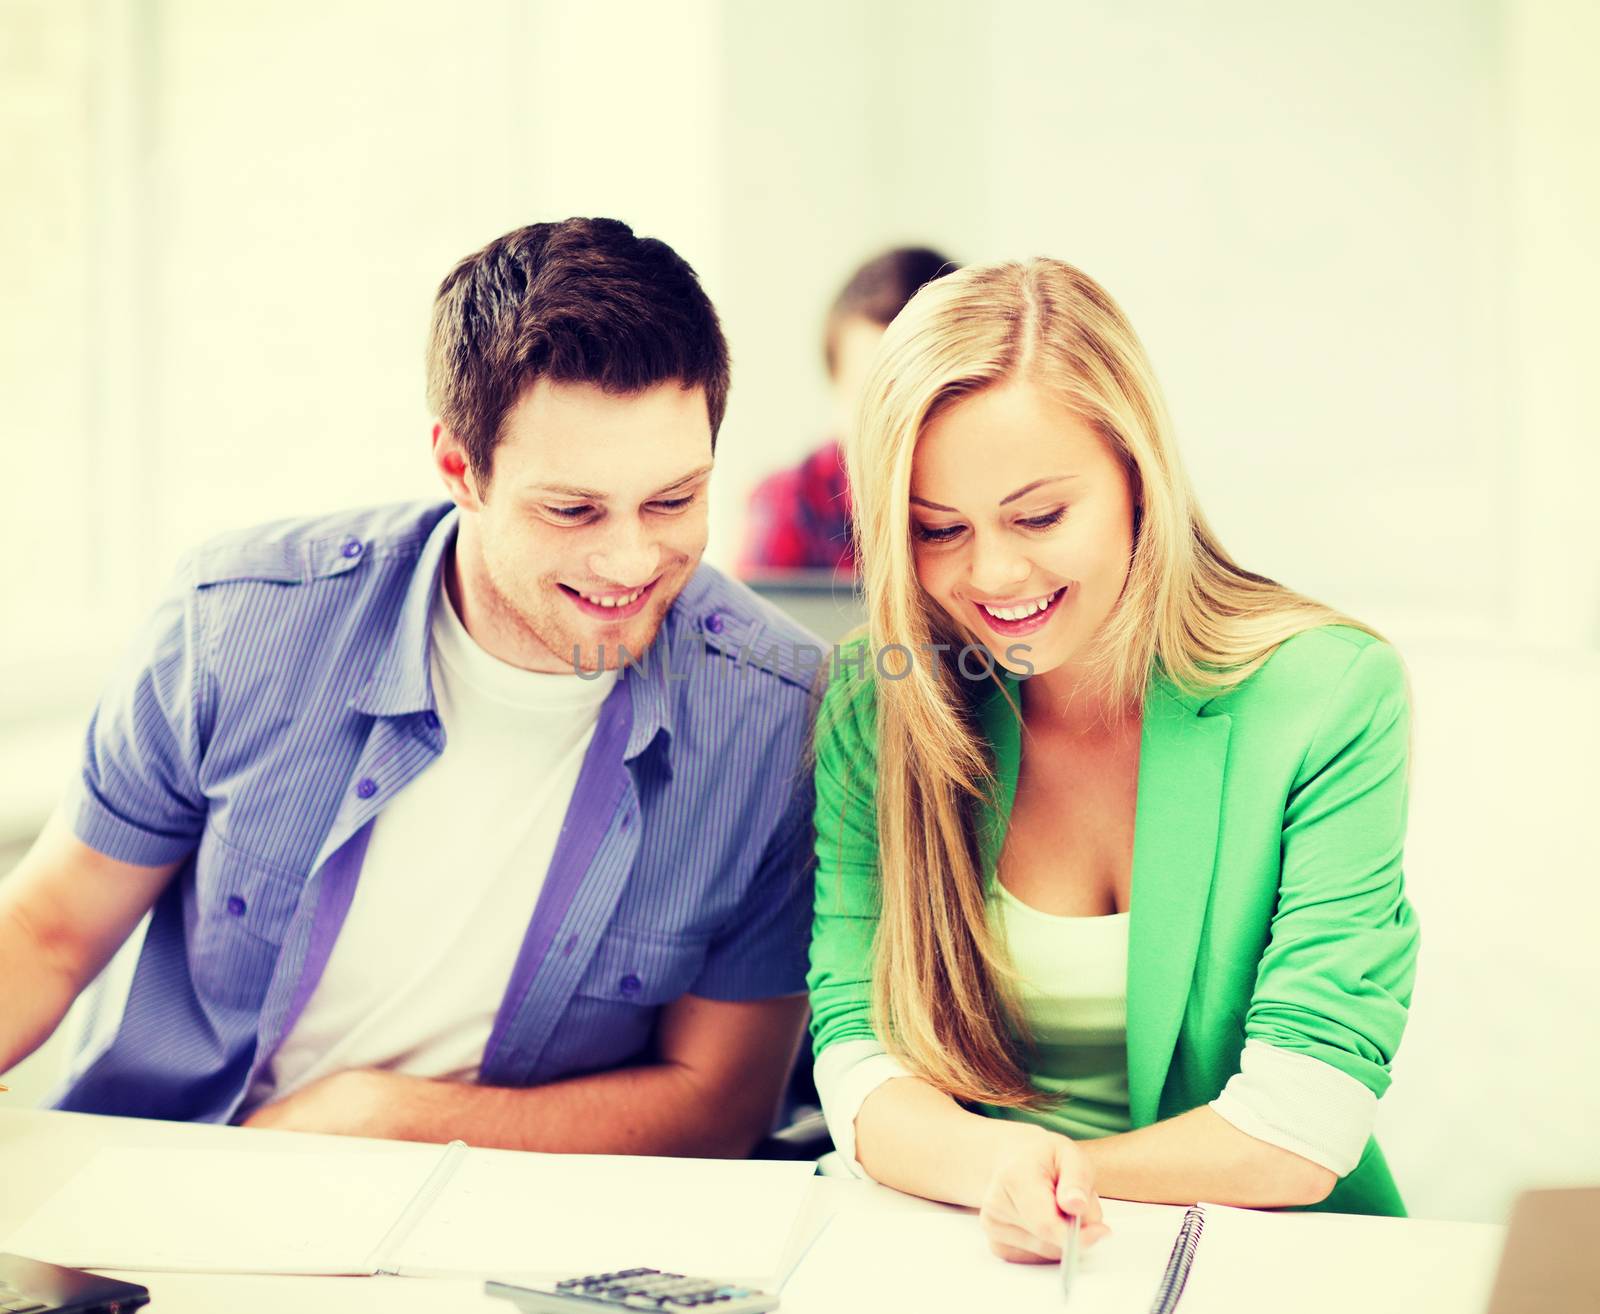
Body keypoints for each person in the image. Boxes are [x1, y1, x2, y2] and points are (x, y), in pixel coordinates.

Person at [0, 218, 819, 1156]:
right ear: (458, 469)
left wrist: (380, 1120)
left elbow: (718, 1109)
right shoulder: (237, 625)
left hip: (514, 1229)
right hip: (179, 1179)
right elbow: (50, 929)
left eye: (673, 500)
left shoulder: (776, 717)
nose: (631, 558)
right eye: (572, 509)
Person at [807, 258, 1420, 1262]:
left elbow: (1302, 1123)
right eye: (937, 530)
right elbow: (858, 1055)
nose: (994, 573)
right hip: (965, 1261)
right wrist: (993, 1178)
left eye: (1039, 516)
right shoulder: (879, 702)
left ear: (1138, 476)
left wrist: (1037, 1181)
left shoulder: (1328, 695)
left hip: (1263, 1264)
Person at [738, 245, 956, 577]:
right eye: (867, 396)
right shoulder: (792, 499)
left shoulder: (993, 493)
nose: (892, 422)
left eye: (917, 395)